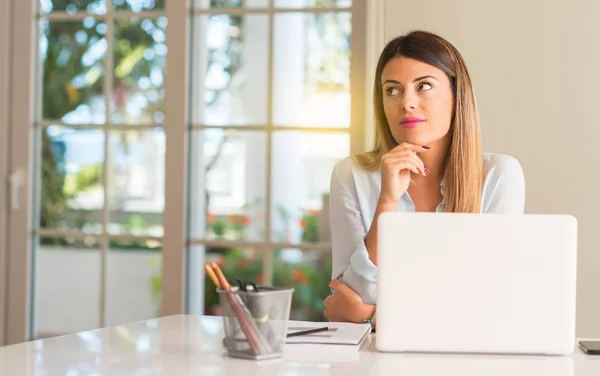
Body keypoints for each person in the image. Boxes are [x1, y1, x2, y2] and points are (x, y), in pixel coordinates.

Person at [322, 30, 525, 329]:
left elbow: (488, 309)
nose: (406, 102)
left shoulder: (499, 175)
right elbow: (348, 298)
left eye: (424, 86)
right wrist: (387, 203)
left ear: (458, 95)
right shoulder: (351, 175)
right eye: (392, 90)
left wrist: (372, 316)